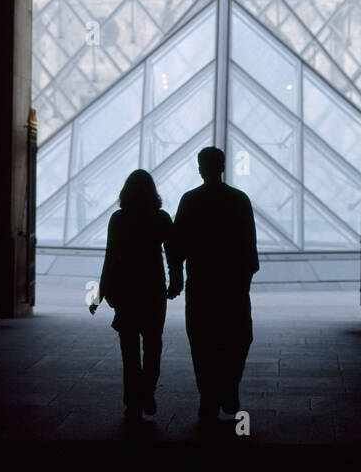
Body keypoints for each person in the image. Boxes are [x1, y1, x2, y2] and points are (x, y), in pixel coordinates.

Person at [173, 146, 259, 420]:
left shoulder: (190, 200)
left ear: (200, 168)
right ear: (223, 166)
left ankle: (208, 395)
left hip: (200, 285)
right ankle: (229, 387)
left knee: (202, 341)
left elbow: (177, 245)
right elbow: (249, 246)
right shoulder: (239, 200)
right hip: (232, 285)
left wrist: (176, 278)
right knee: (239, 337)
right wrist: (244, 280)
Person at [94, 169, 182, 420]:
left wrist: (100, 294)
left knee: (129, 349)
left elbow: (110, 258)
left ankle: (132, 398)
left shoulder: (118, 219)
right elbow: (174, 255)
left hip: (126, 291)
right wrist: (177, 282)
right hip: (153, 289)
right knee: (153, 344)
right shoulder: (161, 218)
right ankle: (148, 391)